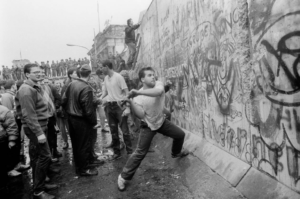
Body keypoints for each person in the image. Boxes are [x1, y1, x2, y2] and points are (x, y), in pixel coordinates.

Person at [117, 67, 189, 191]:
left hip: (161, 122)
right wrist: (130, 100)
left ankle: (176, 152)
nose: (153, 77)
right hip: (148, 126)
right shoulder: (137, 98)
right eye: (149, 75)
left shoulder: (158, 84)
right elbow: (140, 115)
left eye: (153, 74)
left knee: (180, 135)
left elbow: (159, 93)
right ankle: (123, 177)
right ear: (142, 79)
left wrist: (137, 93)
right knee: (140, 152)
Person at [15, 64, 56, 199]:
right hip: (35, 128)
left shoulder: (33, 87)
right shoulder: (26, 90)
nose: (39, 74)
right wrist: (39, 133)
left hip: (38, 126)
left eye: (40, 72)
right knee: (45, 157)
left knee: (36, 157)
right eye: (35, 72)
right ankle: (38, 191)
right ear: (27, 74)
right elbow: (28, 115)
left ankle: (40, 185)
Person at [62, 64, 103, 176]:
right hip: (81, 120)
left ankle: (84, 164)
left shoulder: (72, 84)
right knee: (83, 144)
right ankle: (83, 169)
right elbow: (88, 109)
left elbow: (63, 100)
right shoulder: (86, 87)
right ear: (90, 74)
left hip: (72, 118)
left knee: (76, 144)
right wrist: (93, 122)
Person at [100, 60, 133, 161]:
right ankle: (117, 152)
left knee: (125, 130)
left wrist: (127, 108)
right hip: (110, 106)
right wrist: (100, 99)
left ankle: (130, 152)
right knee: (113, 131)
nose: (101, 69)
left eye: (102, 67)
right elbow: (105, 92)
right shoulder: (106, 78)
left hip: (119, 106)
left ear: (106, 67)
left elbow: (127, 92)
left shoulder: (118, 77)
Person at [0, 104, 19, 194]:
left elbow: (11, 125)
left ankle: (5, 185)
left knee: (3, 161)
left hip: (2, 141)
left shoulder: (3, 110)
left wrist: (12, 139)